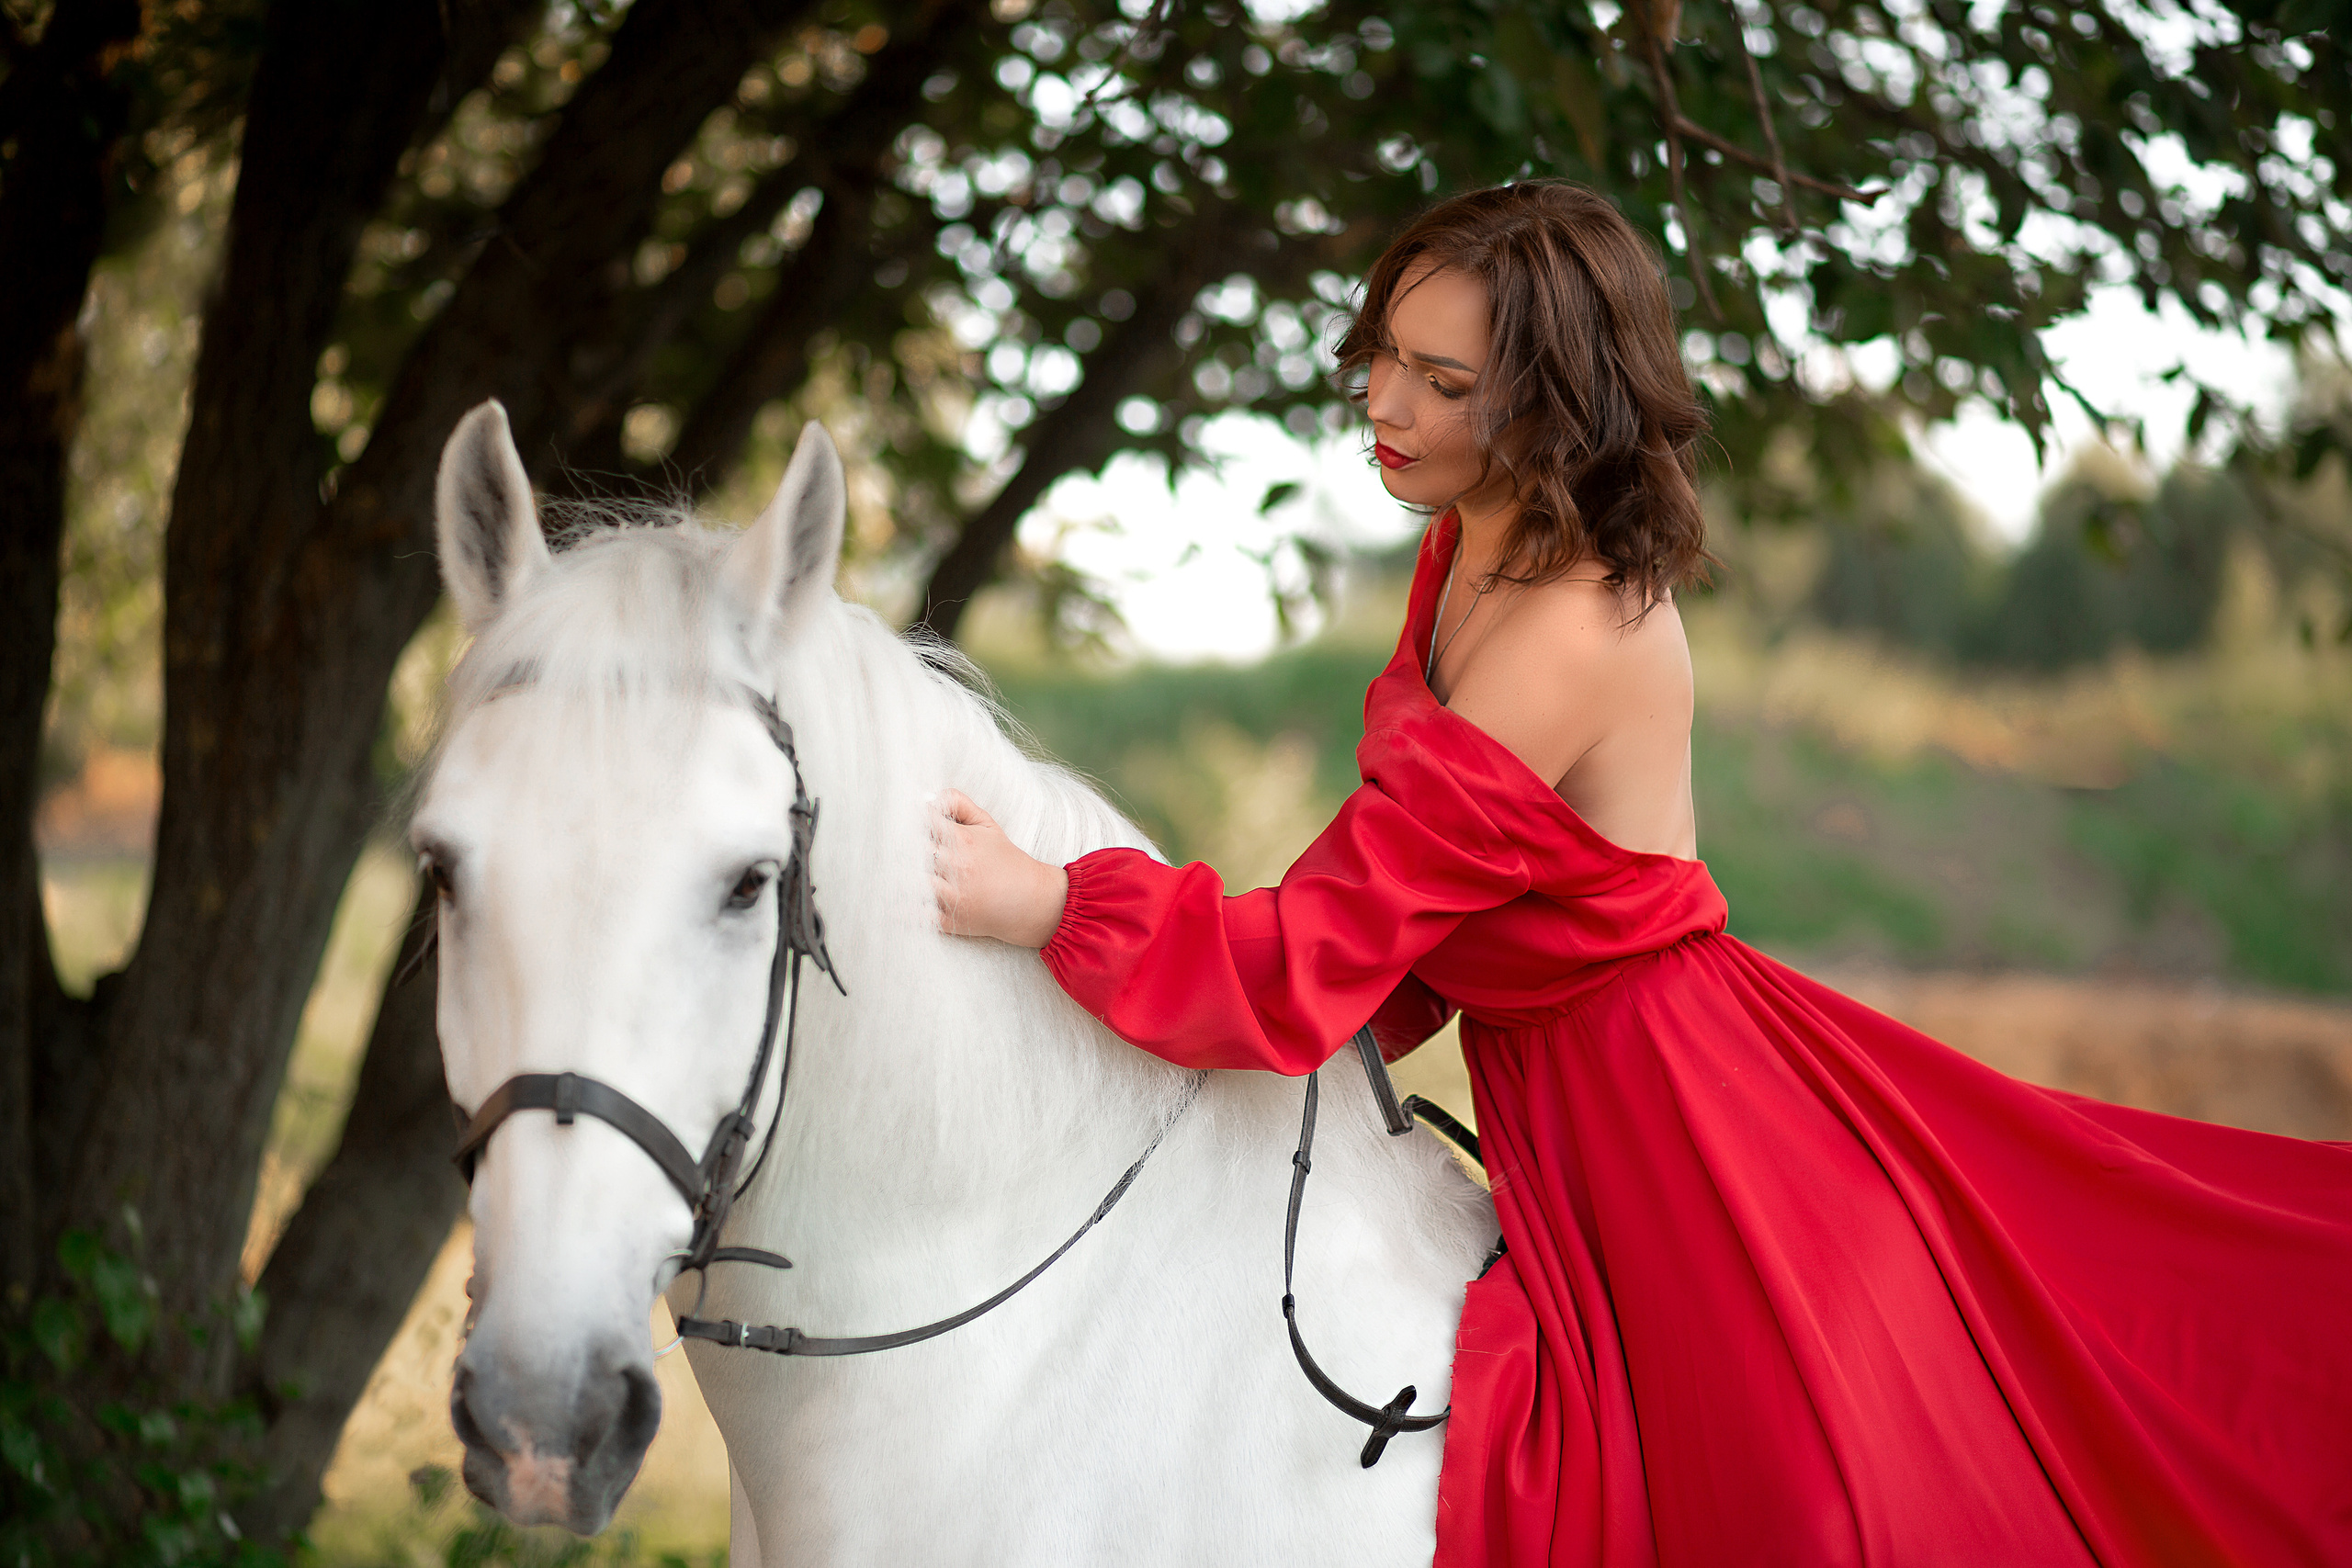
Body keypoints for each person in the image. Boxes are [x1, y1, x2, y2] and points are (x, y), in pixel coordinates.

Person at [931, 181, 2352, 1566]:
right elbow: (1414, 910)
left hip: (1672, 1115)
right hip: (1575, 1079)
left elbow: (1329, 939)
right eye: (1382, 357)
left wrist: (1057, 903)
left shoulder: (1570, 623)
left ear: (1556, 401)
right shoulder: (1465, 545)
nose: (1385, 406)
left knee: (1790, 1501)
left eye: (1443, 381)